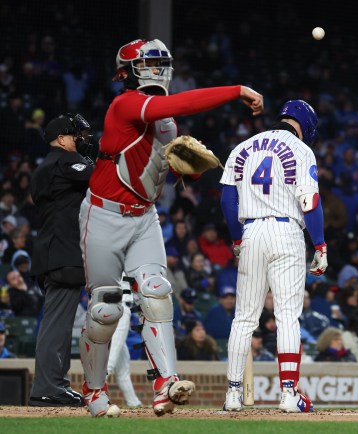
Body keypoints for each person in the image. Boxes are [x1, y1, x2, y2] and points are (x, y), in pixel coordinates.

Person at [77, 38, 264, 418]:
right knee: (106, 309)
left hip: (144, 215)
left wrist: (185, 172)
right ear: (129, 71)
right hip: (104, 215)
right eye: (151, 61)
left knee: (157, 292)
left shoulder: (165, 122)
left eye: (162, 60)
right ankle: (93, 391)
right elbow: (175, 103)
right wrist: (237, 90)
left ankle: (166, 384)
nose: (158, 67)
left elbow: (165, 169)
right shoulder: (126, 103)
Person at [220, 100, 325, 413]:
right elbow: (310, 201)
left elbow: (227, 200)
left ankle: (233, 395)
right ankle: (289, 394)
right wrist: (320, 244)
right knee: (287, 317)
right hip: (286, 231)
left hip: (251, 231)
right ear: (304, 125)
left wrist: (237, 239)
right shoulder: (301, 149)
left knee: (243, 319)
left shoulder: (242, 147)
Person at [28, 113, 94, 407]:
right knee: (56, 323)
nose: (80, 140)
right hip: (63, 252)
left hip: (50, 251)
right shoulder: (63, 161)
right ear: (62, 139)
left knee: (58, 321)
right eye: (75, 135)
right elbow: (98, 177)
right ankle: (48, 387)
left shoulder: (45, 167)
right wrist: (101, 157)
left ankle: (55, 385)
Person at [106, 282, 143, 407]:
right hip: (119, 307)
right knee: (110, 361)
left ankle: (134, 403)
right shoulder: (124, 263)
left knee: (122, 367)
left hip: (110, 306)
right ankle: (92, 397)